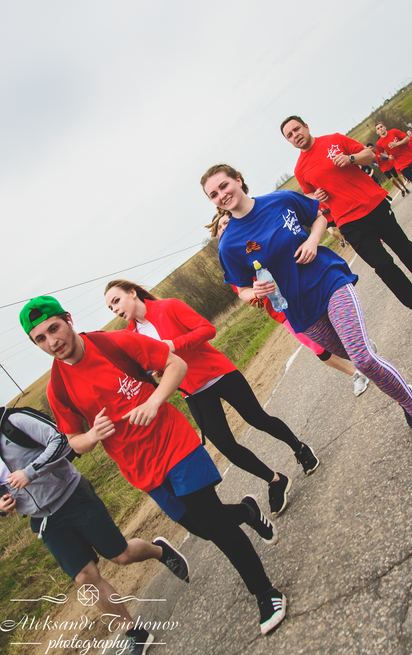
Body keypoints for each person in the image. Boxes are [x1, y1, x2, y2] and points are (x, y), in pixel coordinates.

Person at [19, 296, 286, 637]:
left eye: (53, 328)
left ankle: (266, 593)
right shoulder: (58, 387)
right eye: (40, 339)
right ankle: (246, 511)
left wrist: (155, 401)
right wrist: (92, 436)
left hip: (173, 442)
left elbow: (176, 365)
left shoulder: (115, 344)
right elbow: (73, 441)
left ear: (68, 319)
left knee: (212, 523)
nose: (51, 341)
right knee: (201, 527)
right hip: (139, 468)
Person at [201, 163, 412, 448]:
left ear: (238, 180)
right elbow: (241, 290)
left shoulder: (280, 199)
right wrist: (254, 292)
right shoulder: (228, 245)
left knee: (363, 358)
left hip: (328, 280)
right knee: (359, 361)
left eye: (224, 186)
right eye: (213, 194)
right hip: (299, 309)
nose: (221, 195)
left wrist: (313, 241)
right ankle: (401, 392)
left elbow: (318, 217)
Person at [104, 279, 319, 516]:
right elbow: (156, 364)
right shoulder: (131, 335)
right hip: (191, 391)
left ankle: (299, 448)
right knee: (226, 446)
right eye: (111, 307)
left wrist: (173, 345)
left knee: (259, 419)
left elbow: (207, 329)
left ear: (132, 293)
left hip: (218, 373)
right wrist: (158, 369)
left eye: (116, 300)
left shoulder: (169, 306)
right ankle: (275, 480)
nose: (115, 309)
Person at [0, 404, 190, 654]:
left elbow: (60, 441)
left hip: (72, 496)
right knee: (84, 577)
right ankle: (134, 632)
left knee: (121, 555)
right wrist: (2, 503)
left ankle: (160, 551)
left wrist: (30, 472)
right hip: (45, 520)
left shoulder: (14, 420)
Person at [280, 115, 412, 330]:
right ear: (288, 141)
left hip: (373, 205)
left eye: (297, 129)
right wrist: (316, 197)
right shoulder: (300, 169)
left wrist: (350, 159)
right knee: (382, 265)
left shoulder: (334, 139)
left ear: (306, 126)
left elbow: (369, 155)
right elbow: (309, 195)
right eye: (290, 135)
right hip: (348, 222)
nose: (295, 135)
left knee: (403, 248)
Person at [212, 210, 374, 397]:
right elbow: (246, 295)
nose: (223, 228)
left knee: (336, 330)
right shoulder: (231, 261)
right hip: (281, 310)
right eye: (220, 228)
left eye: (226, 223)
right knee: (319, 349)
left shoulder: (255, 240)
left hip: (302, 292)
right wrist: (257, 294)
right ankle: (356, 373)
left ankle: (361, 349)